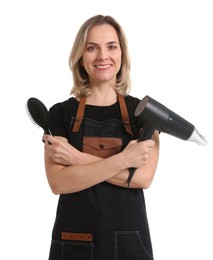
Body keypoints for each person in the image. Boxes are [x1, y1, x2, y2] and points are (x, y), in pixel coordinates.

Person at [43, 14, 159, 260]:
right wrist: (123, 160)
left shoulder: (145, 114)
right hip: (74, 242)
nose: (102, 56)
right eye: (92, 48)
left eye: (111, 47)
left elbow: (142, 179)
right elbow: (59, 183)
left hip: (131, 244)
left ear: (122, 54)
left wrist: (76, 158)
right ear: (81, 57)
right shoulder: (60, 113)